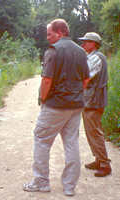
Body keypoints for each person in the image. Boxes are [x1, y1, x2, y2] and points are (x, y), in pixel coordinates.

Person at [23, 19, 89, 196]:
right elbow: (86, 80)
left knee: (41, 139)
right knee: (71, 143)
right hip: (76, 106)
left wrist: (42, 99)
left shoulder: (53, 51)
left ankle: (41, 182)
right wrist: (75, 95)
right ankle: (69, 186)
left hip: (55, 106)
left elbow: (46, 80)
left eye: (50, 34)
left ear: (60, 32)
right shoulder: (82, 51)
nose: (47, 38)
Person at [79, 32, 111, 177]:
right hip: (90, 100)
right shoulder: (92, 57)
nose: (83, 44)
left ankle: (104, 164)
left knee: (95, 132)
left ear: (93, 44)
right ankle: (99, 159)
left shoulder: (96, 58)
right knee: (91, 131)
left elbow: (86, 76)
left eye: (86, 41)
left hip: (94, 100)